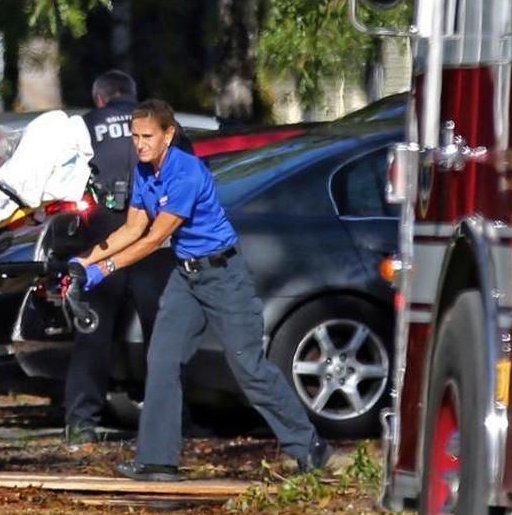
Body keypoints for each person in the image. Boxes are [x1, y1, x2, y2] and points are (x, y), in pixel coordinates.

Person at [73, 99, 330, 481]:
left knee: (248, 366)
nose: (139, 144)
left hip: (223, 274)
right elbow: (130, 230)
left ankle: (309, 446)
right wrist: (83, 262)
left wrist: (105, 268)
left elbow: (154, 238)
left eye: (147, 137)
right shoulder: (144, 173)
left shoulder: (186, 173)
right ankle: (157, 461)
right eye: (135, 137)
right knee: (161, 358)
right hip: (186, 277)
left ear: (168, 135)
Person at [63, 72, 185, 445]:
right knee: (162, 339)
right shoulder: (162, 125)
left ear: (100, 99)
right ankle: (173, 424)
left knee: (92, 335)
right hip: (155, 244)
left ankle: (81, 423)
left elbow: (63, 182)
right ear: (134, 96)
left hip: (103, 240)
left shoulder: (84, 127)